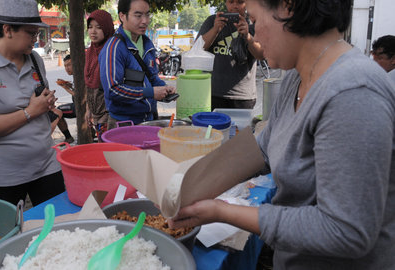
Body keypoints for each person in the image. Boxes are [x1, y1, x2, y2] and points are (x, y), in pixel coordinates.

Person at [169, 0, 395, 269]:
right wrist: (183, 186)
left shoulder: (354, 92)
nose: (253, 32)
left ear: (287, 7)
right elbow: (260, 148)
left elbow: (345, 230)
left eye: (253, 18)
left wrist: (221, 211)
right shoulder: (296, 76)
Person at [0, 0, 65, 207]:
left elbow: (39, 102)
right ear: (7, 30)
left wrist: (45, 102)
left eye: (37, 34)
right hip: (4, 176)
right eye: (31, 33)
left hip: (46, 166)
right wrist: (29, 112)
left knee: (57, 226)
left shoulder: (35, 59)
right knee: (9, 232)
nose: (36, 40)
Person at [99, 0, 176, 129]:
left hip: (148, 118)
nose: (145, 21)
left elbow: (152, 77)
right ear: (122, 16)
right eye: (138, 15)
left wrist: (164, 88)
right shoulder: (114, 48)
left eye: (147, 15)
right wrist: (150, 92)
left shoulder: (147, 44)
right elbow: (112, 90)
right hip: (123, 123)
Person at [197, 0, 263, 110]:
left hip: (242, 96)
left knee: (241, 127)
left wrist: (247, 36)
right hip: (214, 93)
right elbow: (198, 48)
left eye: (240, 2)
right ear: (226, 3)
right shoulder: (212, 21)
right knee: (212, 127)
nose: (235, 6)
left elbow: (261, 55)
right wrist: (215, 29)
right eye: (231, 2)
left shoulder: (253, 23)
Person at [85, 10, 113, 138]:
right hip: (95, 112)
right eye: (90, 27)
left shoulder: (112, 51)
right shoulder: (89, 52)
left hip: (109, 113)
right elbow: (89, 85)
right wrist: (88, 110)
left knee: (108, 149)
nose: (93, 31)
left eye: (99, 27)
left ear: (107, 28)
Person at [55, 54, 75, 143]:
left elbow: (79, 96)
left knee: (57, 112)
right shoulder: (77, 75)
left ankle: (68, 137)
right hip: (78, 105)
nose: (67, 68)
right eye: (65, 66)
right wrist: (67, 85)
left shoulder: (81, 75)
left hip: (80, 107)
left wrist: (65, 88)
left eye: (69, 65)